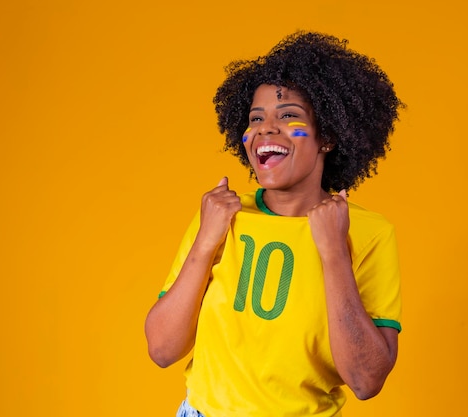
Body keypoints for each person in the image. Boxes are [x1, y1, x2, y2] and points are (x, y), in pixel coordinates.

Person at [145, 31, 404, 417]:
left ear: (328, 136)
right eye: (255, 118)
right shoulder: (221, 215)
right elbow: (162, 350)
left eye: (289, 116)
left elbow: (366, 381)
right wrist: (205, 242)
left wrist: (334, 253)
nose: (265, 129)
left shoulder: (367, 232)